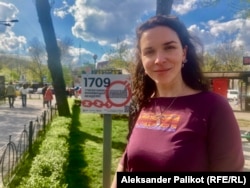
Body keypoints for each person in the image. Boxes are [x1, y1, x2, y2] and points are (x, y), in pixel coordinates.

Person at [111, 15, 244, 187]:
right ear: (142, 59)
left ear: (184, 53)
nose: (159, 59)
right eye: (149, 51)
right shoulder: (143, 105)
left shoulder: (213, 106)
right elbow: (125, 163)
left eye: (169, 47)